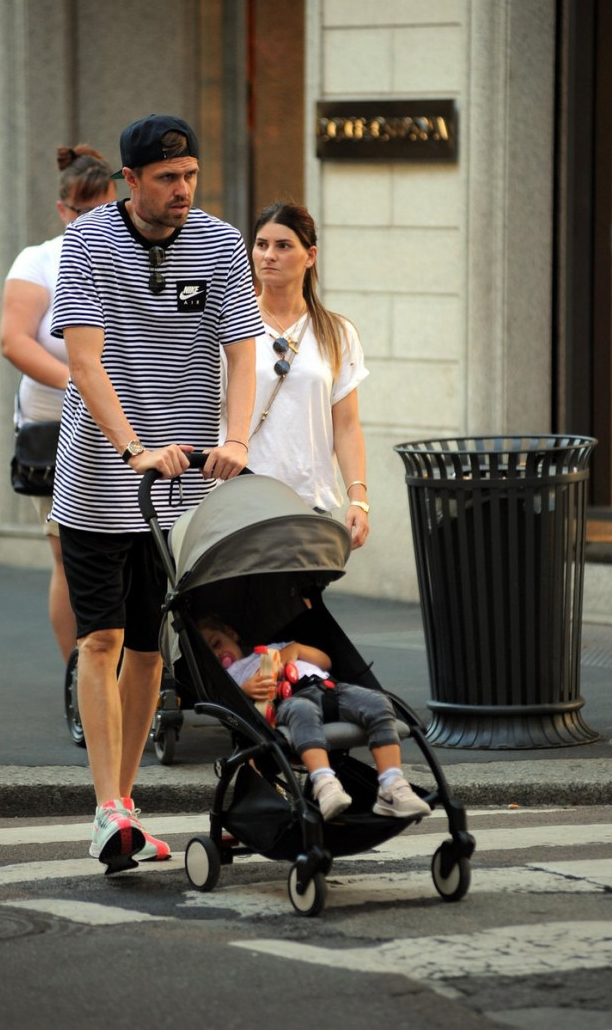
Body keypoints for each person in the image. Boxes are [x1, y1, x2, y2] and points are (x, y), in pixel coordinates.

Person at [50, 113, 262, 874]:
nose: (184, 190)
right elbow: (84, 362)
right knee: (100, 639)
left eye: (192, 176)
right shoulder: (88, 243)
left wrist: (235, 439)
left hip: (183, 486)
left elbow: (243, 354)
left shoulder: (220, 241)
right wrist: (133, 447)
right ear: (129, 182)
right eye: (168, 178)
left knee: (149, 651)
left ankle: (126, 804)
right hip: (102, 479)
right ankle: (106, 807)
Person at [1, 145, 116, 662]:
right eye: (83, 212)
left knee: (131, 554)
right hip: (57, 426)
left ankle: (126, 663)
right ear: (62, 210)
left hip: (128, 420)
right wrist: (82, 383)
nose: (95, 221)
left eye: (105, 209)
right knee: (68, 554)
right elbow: (15, 340)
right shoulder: (40, 260)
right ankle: (80, 672)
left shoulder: (130, 255)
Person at [198, 615, 431, 822]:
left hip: (329, 689)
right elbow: (231, 705)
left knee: (377, 702)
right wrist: (245, 690)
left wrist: (295, 650)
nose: (220, 655)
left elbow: (325, 662)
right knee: (302, 711)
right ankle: (324, 784)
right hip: (288, 702)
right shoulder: (230, 677)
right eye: (212, 656)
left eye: (217, 644)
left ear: (231, 634)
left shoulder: (275, 648)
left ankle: (392, 786)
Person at [245, 201, 370, 548]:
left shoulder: (337, 332)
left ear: (310, 256)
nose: (268, 255)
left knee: (304, 602)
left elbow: (346, 426)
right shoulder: (235, 326)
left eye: (283, 246)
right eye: (261, 244)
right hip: (241, 499)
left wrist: (358, 497)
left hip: (308, 503)